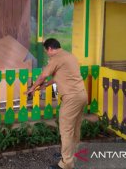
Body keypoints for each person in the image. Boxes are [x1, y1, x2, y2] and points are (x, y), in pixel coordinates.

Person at [25, 38, 88, 169]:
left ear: (50, 49)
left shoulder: (56, 58)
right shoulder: (69, 56)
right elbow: (59, 76)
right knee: (75, 128)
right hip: (81, 95)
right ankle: (70, 156)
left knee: (66, 130)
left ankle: (66, 164)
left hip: (71, 98)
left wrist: (32, 88)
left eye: (46, 51)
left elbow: (43, 75)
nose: (47, 54)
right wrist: (46, 86)